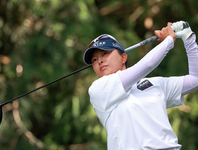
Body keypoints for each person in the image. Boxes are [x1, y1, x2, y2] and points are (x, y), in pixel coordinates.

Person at [83, 21, 198, 150]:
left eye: (105, 53)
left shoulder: (155, 84)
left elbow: (195, 79)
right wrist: (169, 40)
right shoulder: (98, 89)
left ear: (124, 57)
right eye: (94, 59)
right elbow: (147, 64)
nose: (99, 60)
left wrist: (188, 38)